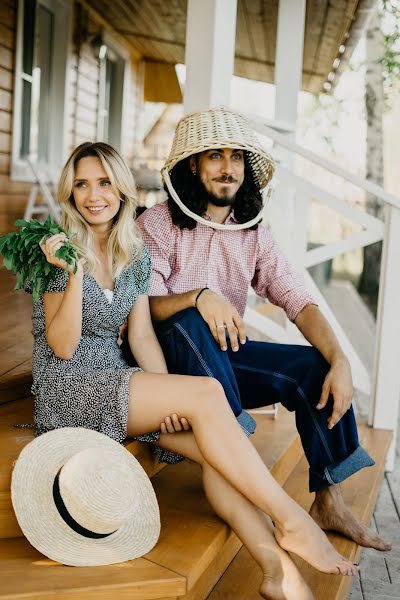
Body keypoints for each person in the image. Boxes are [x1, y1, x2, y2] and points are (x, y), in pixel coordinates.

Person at [27, 140, 359, 600]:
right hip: (70, 389)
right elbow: (62, 348)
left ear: (121, 191)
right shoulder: (55, 253)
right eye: (82, 185)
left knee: (217, 448)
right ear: (69, 193)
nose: (93, 195)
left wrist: (167, 394)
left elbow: (141, 336)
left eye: (104, 182)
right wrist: (75, 269)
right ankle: (295, 522)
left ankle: (275, 570)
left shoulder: (132, 253)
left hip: (121, 383)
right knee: (206, 396)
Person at [137, 107, 391, 553]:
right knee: (189, 319)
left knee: (314, 366)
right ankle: (241, 464)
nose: (227, 167)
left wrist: (341, 360)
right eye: (214, 156)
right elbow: (147, 309)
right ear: (193, 164)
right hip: (170, 366)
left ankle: (329, 501)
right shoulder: (156, 223)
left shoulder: (253, 233)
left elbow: (298, 298)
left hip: (226, 360)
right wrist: (199, 296)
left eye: (236, 158)